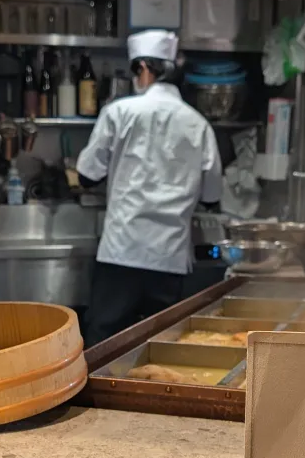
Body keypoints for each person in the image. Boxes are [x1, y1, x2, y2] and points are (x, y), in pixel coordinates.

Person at [76, 30, 223, 347]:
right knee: (162, 345)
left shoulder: (120, 112)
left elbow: (87, 174)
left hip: (123, 250)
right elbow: (212, 196)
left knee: (105, 341)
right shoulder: (198, 124)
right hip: (169, 256)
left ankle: (99, 397)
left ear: (143, 67)